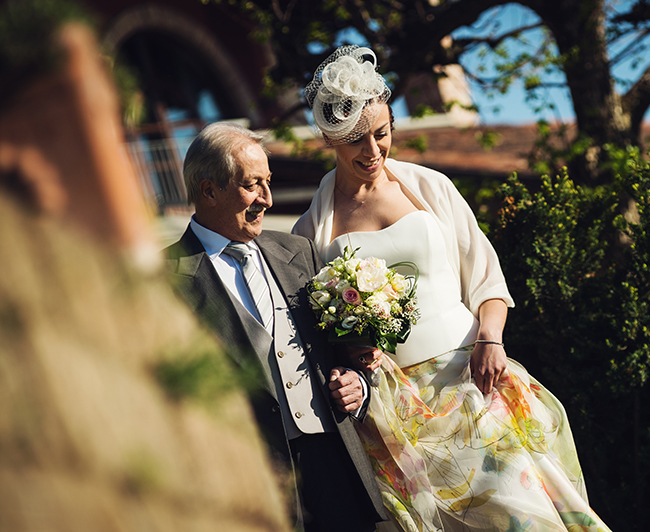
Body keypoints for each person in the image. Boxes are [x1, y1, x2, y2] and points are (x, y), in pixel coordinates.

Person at [293, 45, 613, 532]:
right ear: (331, 138)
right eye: (357, 140)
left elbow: (487, 276)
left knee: (524, 516)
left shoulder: (431, 188)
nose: (373, 151)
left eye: (382, 134)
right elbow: (316, 330)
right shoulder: (311, 229)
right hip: (393, 405)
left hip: (470, 377)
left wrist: (490, 339)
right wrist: (351, 355)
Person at [164, 122, 387, 532]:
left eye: (268, 182)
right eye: (252, 185)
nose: (266, 199)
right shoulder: (163, 279)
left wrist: (357, 382)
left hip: (332, 458)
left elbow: (343, 353)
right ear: (209, 190)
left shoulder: (296, 251)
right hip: (247, 478)